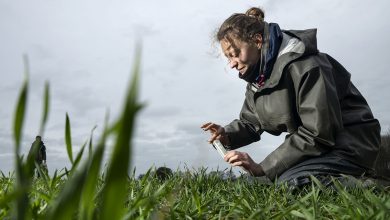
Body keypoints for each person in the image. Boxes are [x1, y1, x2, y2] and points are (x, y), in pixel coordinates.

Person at [201, 7, 381, 186]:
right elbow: (251, 122)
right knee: (259, 184)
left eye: (235, 53)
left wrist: (263, 167)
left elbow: (318, 133)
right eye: (228, 57)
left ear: (257, 41)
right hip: (318, 148)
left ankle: (374, 187)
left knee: (293, 184)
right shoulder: (258, 78)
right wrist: (227, 136)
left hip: (348, 145)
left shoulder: (307, 66)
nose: (232, 63)